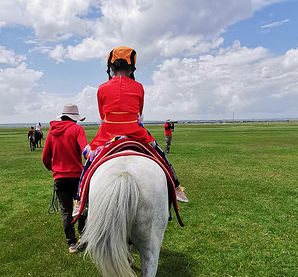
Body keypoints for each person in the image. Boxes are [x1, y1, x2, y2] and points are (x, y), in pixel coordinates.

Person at [83, 46, 188, 202]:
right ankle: (176, 186)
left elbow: (102, 115)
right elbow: (139, 113)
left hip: (108, 131)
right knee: (160, 154)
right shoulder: (139, 87)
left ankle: (79, 198)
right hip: (134, 129)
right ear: (132, 68)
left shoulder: (101, 89)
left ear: (111, 67)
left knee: (89, 163)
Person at [42, 104, 88, 254]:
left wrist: (54, 170)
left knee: (65, 210)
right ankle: (82, 234)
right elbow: (85, 151)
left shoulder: (52, 132)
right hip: (76, 177)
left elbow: (45, 157)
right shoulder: (77, 130)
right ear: (75, 118)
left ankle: (72, 244)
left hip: (60, 178)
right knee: (81, 206)